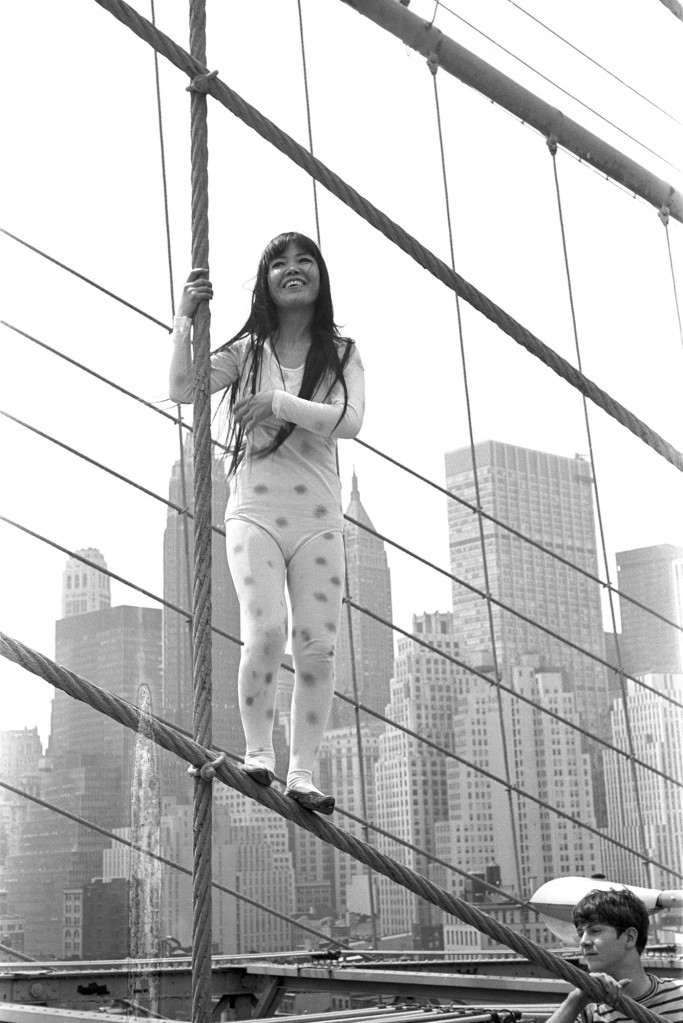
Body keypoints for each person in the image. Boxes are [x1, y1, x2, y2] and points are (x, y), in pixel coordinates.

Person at [169, 232, 365, 815]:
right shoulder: (248, 353)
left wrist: (278, 404)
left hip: (319, 518)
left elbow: (349, 421)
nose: (293, 269)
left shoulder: (343, 353)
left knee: (318, 649)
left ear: (320, 276)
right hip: (254, 511)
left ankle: (302, 774)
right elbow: (183, 388)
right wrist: (183, 318)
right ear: (266, 281)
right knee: (267, 632)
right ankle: (259, 753)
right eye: (279, 262)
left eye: (305, 260)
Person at [546, 888, 683, 1023]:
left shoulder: (680, 994)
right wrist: (576, 1000)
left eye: (595, 931)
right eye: (581, 934)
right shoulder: (587, 1010)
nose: (583, 942)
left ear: (629, 937)